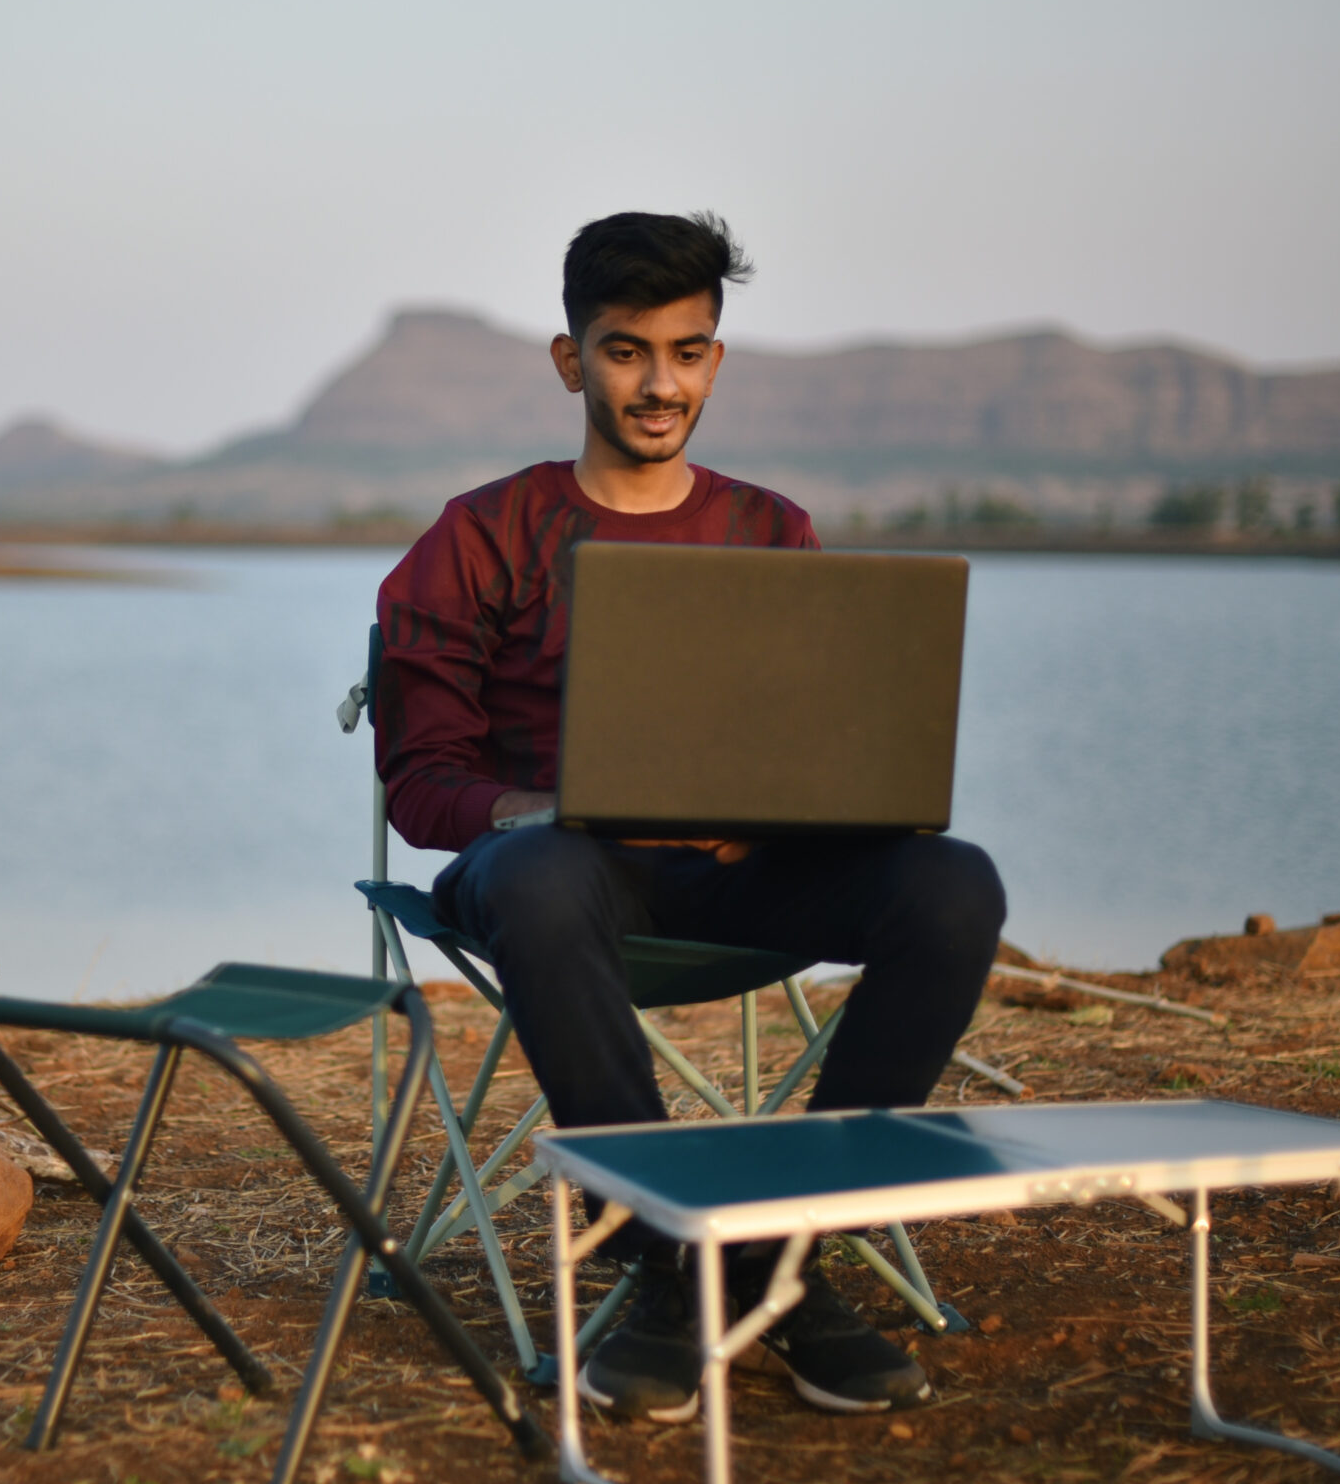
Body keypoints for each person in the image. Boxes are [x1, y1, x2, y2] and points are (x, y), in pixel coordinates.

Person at [372, 211, 1006, 1422]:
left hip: (742, 871)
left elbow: (824, 746)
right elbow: (420, 781)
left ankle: (776, 1253)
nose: (660, 383)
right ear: (572, 360)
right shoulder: (481, 534)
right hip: (557, 878)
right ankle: (667, 1255)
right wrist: (534, 806)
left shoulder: (774, 532)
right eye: (625, 351)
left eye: (690, 349)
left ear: (716, 356)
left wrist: (806, 811)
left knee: (956, 884)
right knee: (548, 874)